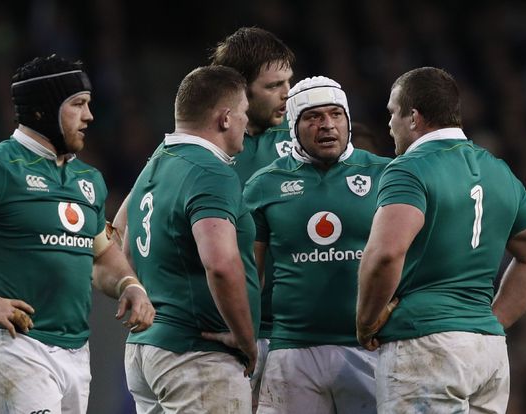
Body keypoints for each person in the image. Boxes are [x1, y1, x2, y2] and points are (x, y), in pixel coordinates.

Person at [0, 54, 155, 414]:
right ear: (43, 110)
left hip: (76, 353)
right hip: (17, 347)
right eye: (78, 104)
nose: (89, 116)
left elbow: (101, 254)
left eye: (89, 104)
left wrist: (130, 284)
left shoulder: (88, 180)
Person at [356, 66, 526, 413]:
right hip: (488, 353)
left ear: (414, 117)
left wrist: (365, 320)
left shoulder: (409, 168)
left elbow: (387, 253)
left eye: (392, 113)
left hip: (426, 346)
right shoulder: (498, 170)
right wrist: (492, 321)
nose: (389, 124)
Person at [112, 26, 295, 406]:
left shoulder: (299, 138)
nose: (286, 94)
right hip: (222, 335)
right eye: (273, 85)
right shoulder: (208, 156)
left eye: (287, 82)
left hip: (292, 333)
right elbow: (121, 229)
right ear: (237, 90)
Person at [244, 76, 391, 413]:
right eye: (314, 117)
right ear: (294, 126)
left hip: (369, 348)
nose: (327, 125)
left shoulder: (387, 176)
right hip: (292, 350)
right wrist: (244, 338)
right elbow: (249, 273)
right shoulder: (264, 184)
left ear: (348, 121)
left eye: (336, 114)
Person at [122, 65, 259, 413]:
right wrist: (245, 339)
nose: (247, 123)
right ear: (225, 118)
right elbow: (222, 265)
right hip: (195, 357)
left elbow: (122, 238)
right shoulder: (211, 171)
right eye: (244, 114)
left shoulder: (155, 162)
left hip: (147, 349)